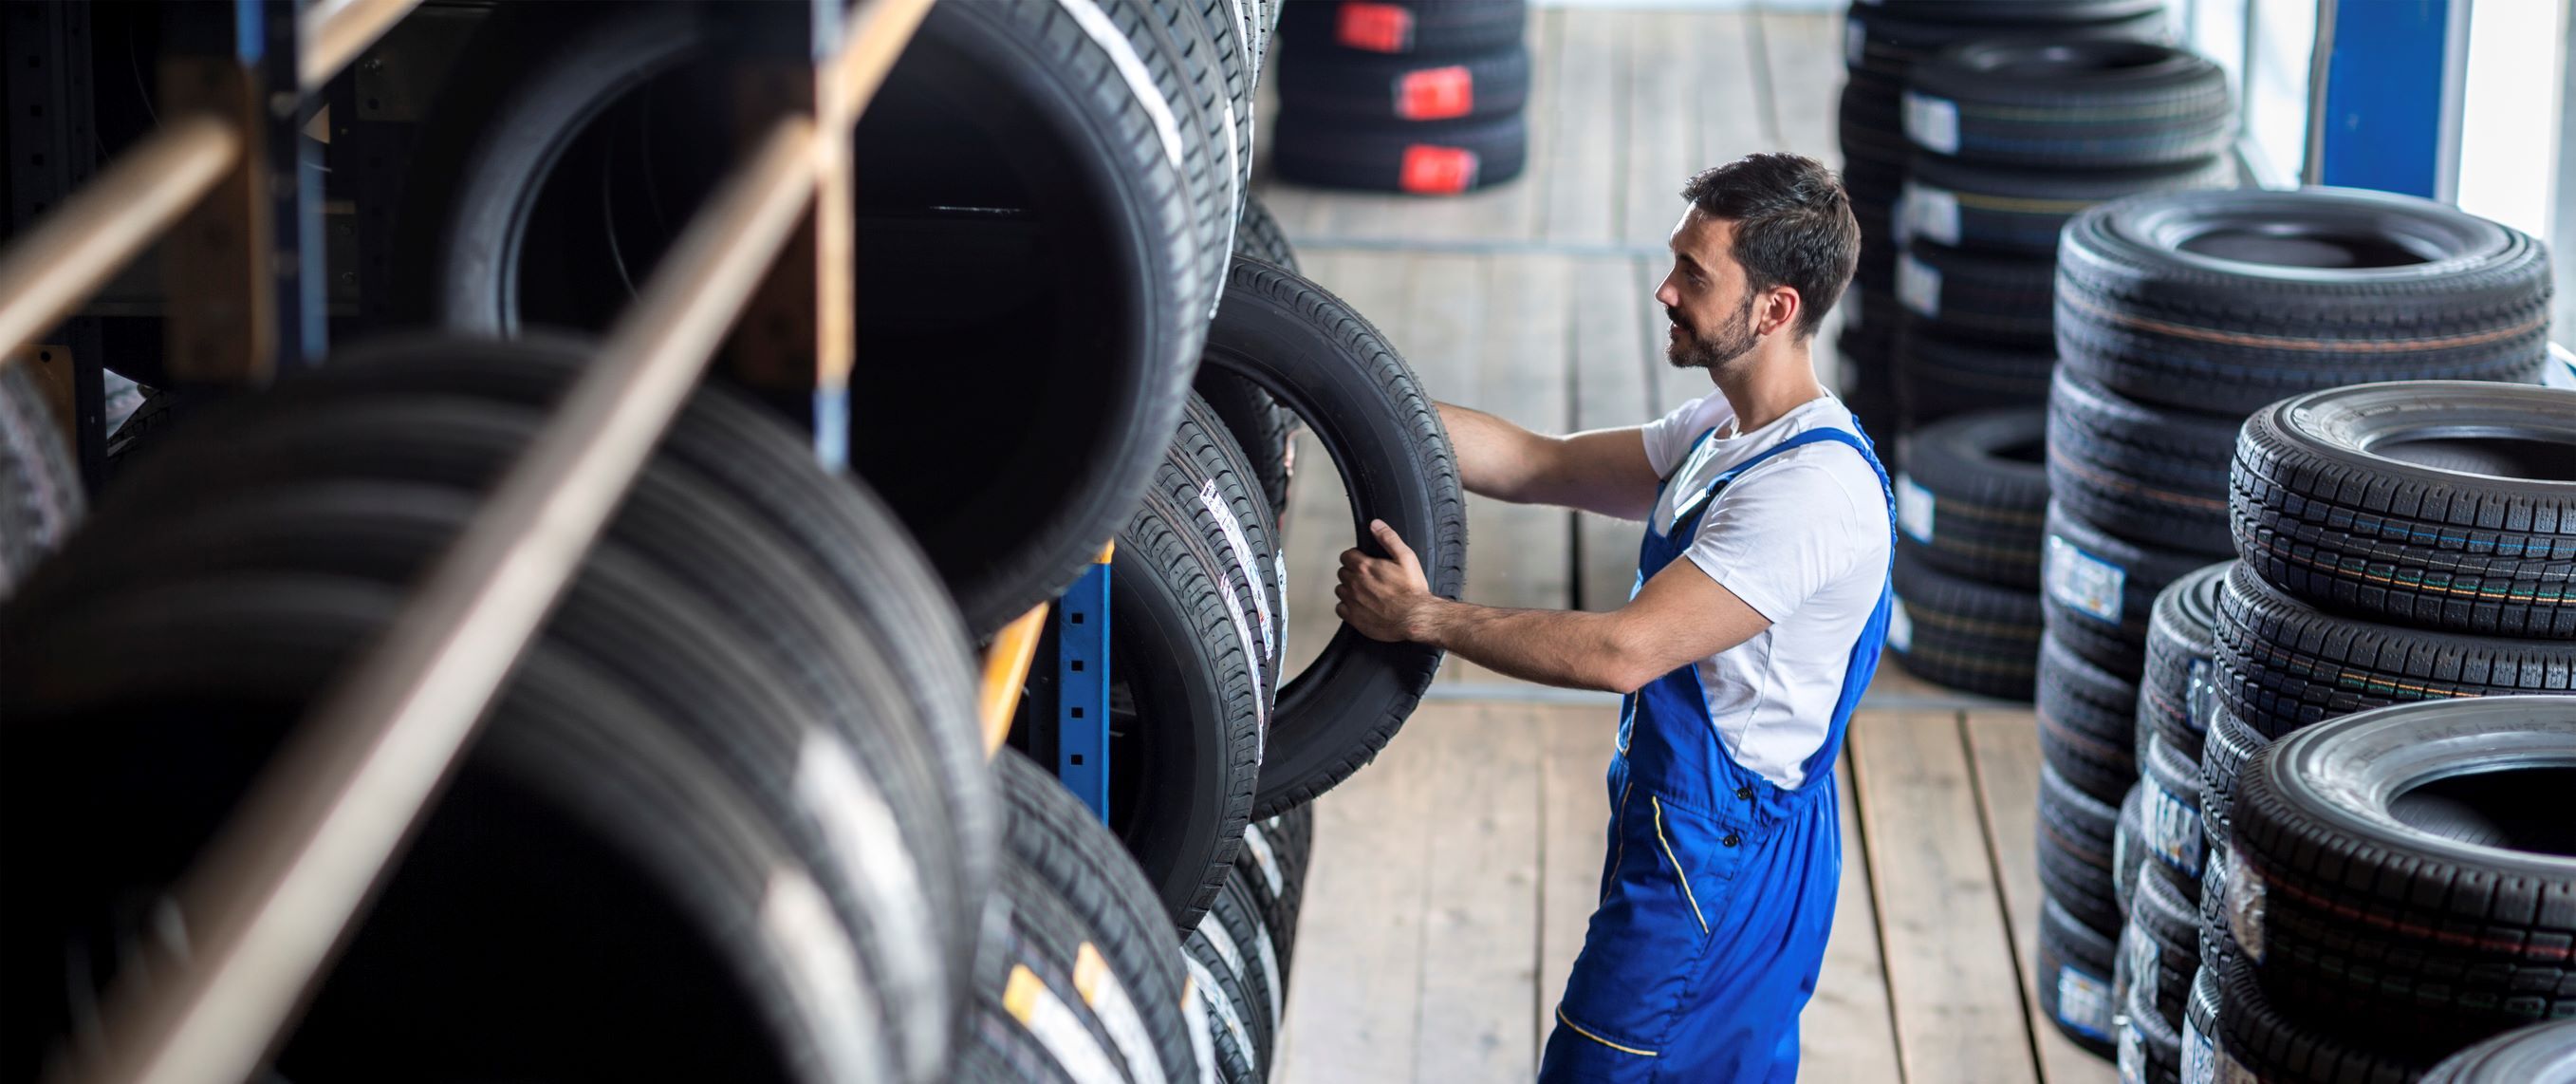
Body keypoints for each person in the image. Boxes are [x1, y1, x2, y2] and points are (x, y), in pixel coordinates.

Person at [1334, 153, 1891, 1083]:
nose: (1666, 291)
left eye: (1696, 275)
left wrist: (1425, 616)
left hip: (1727, 863)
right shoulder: (1725, 434)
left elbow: (1621, 651)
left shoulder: (1809, 491)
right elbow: (1536, 461)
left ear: (1776, 308)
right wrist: (1337, 394)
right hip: (1690, 832)